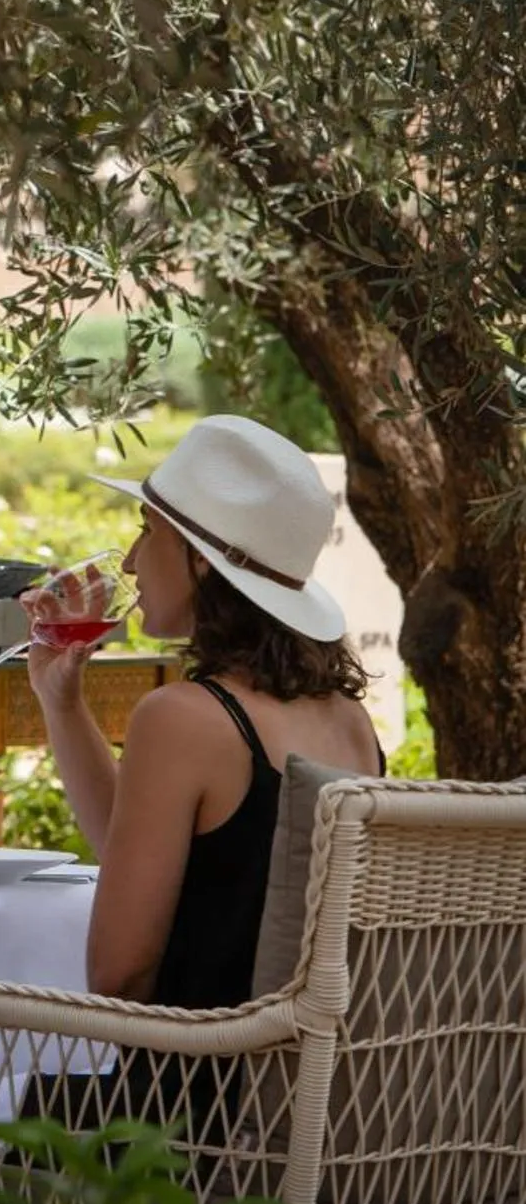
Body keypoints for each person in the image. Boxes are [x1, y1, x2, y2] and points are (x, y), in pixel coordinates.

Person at [28, 414, 381, 1010]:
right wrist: (59, 700)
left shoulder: (183, 718)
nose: (134, 561)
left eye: (147, 532)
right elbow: (145, 853)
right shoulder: (348, 716)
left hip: (195, 1086)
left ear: (199, 560)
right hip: (311, 1085)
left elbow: (117, 976)